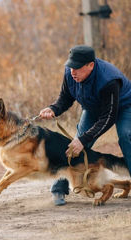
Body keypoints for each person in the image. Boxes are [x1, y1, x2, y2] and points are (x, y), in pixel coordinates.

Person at [39, 45, 131, 206]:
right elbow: (65, 98)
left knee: (126, 137)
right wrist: (53, 108)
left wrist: (83, 139)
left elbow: (108, 117)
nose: (73, 71)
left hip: (124, 107)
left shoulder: (108, 79)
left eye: (78, 67)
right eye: (71, 66)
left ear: (91, 65)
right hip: (93, 108)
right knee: (73, 148)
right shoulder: (70, 73)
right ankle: (59, 189)